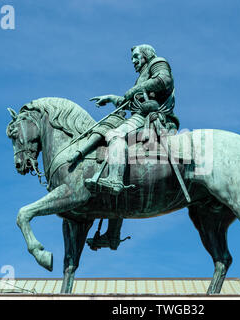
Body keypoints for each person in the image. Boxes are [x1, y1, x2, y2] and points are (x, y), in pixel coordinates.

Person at [70, 44, 179, 250]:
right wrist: (112, 98)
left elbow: (164, 80)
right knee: (118, 156)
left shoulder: (158, 63)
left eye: (137, 57)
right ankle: (112, 234)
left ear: (146, 56)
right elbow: (132, 102)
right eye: (133, 60)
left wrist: (137, 88)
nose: (135, 62)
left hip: (151, 117)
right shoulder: (143, 76)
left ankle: (114, 179)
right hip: (142, 113)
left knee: (114, 135)